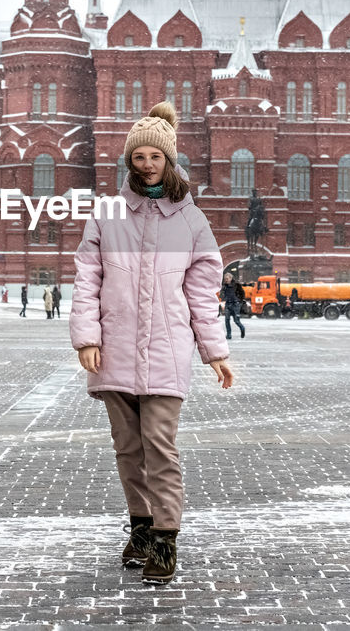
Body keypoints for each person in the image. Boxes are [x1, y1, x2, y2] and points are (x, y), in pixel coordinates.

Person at [70, 101, 232, 587]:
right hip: (114, 350)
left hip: (165, 351)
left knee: (159, 447)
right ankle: (140, 528)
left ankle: (165, 537)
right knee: (127, 449)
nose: (145, 165)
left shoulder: (191, 221)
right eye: (137, 157)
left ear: (169, 159)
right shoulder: (106, 214)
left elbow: (203, 292)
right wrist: (86, 338)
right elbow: (86, 279)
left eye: (154, 157)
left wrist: (216, 352)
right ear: (129, 161)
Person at [220, 272, 245, 339]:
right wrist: (223, 296)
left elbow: (242, 293)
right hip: (228, 304)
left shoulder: (237, 285)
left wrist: (240, 301)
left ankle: (242, 328)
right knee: (227, 320)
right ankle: (229, 335)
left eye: (227, 279)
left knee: (236, 320)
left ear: (231, 278)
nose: (226, 280)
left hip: (235, 304)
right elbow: (221, 294)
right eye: (225, 279)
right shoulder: (224, 286)